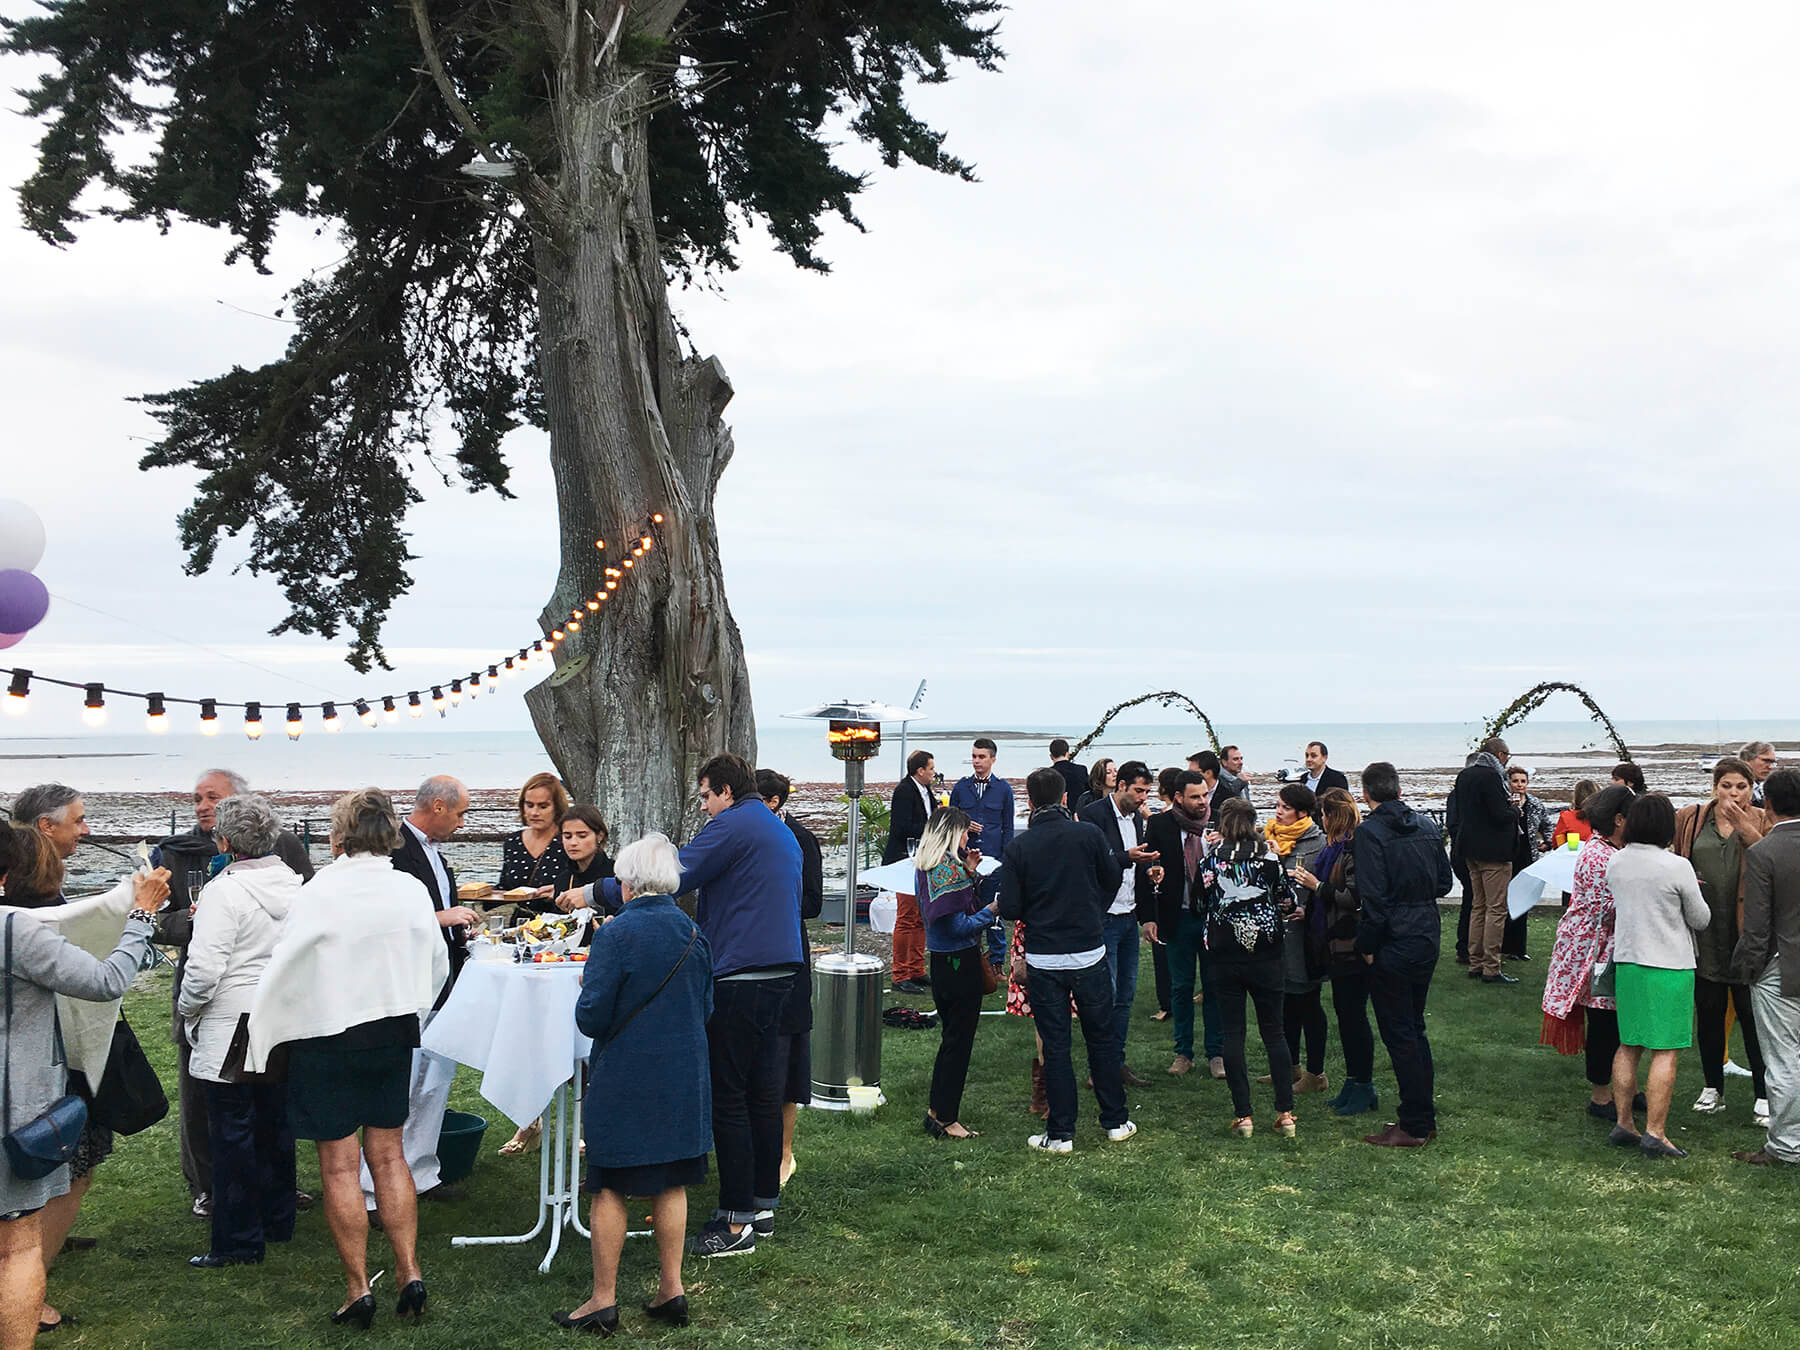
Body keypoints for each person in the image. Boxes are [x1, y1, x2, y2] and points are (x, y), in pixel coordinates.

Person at [584, 754, 803, 1257]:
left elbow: (671, 876)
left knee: (728, 1097)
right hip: (780, 970)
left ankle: (734, 1220)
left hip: (741, 972)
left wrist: (597, 890)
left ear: (725, 791)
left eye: (704, 795)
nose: (703, 806)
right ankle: (762, 1204)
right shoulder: (772, 826)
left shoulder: (732, 825)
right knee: (759, 1094)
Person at [246, 788, 448, 1328]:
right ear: (391, 834)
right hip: (392, 1028)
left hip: (329, 1033)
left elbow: (283, 963)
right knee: (389, 1155)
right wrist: (414, 1011)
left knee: (339, 1164)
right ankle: (410, 1271)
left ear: (339, 835)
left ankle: (359, 1288)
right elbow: (434, 963)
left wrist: (264, 1029)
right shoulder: (409, 889)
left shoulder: (321, 890)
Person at [0, 825, 167, 1349]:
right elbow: (104, 982)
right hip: (12, 1110)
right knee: (18, 1245)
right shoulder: (16, 931)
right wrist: (140, 917)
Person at [559, 833, 714, 1334]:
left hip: (625, 1073)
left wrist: (586, 987)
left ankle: (603, 1299)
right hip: (683, 1074)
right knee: (672, 1182)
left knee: (609, 1185)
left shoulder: (616, 935)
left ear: (626, 886)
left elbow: (591, 1018)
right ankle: (672, 1288)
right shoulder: (695, 934)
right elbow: (706, 1008)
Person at [153, 768, 314, 1221]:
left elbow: (306, 905)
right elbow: (158, 921)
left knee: (270, 1098)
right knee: (203, 1097)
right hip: (210, 988)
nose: (203, 806)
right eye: (198, 797)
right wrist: (199, 919)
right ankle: (208, 1186)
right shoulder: (174, 853)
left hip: (269, 993)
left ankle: (270, 1189)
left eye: (213, 798)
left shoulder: (283, 851)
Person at [177, 794, 300, 1268]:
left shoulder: (222, 892)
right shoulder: (296, 885)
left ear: (224, 841)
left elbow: (204, 969)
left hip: (231, 1019)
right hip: (280, 1015)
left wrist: (189, 1010)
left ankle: (237, 1241)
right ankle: (277, 1217)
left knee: (231, 1133)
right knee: (274, 1123)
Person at [997, 768, 1134, 1152]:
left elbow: (1009, 906)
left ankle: (1060, 1133)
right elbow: (1112, 878)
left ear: (1029, 802)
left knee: (1056, 1046)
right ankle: (1115, 1121)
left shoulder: (1020, 847)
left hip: (1044, 956)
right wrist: (1095, 912)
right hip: (1088, 950)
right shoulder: (1088, 835)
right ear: (1064, 800)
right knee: (1100, 1037)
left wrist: (1038, 911)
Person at [377, 776, 480, 1208]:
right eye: (459, 813)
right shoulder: (393, 848)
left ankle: (422, 1172)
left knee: (436, 1079)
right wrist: (445, 917)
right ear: (438, 806)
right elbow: (387, 915)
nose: (462, 822)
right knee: (402, 1084)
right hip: (408, 982)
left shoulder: (435, 852)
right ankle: (378, 1187)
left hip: (443, 979)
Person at [1354, 762, 1454, 1148]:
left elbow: (1373, 901)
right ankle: (1421, 1116)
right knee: (1414, 1028)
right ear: (1397, 789)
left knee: (1401, 1033)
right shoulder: (1428, 826)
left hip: (1394, 939)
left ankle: (1413, 1123)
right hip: (1426, 933)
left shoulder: (1370, 833)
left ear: (1367, 794)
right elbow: (1444, 882)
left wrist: (1365, 946)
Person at [1606, 793, 1710, 1159]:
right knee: (1665, 1050)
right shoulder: (1677, 866)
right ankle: (1655, 1131)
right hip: (1669, 964)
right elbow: (1701, 919)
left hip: (1629, 961)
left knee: (1629, 1044)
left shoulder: (1616, 862)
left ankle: (1623, 1122)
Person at [1673, 757, 1768, 1122]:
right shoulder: (1692, 818)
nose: (1733, 793)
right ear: (1715, 786)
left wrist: (1745, 826)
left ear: (1751, 789)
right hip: (1703, 933)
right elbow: (1676, 860)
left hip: (1748, 933)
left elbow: (1769, 863)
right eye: (1727, 785)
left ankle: (1763, 1091)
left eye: (1741, 787)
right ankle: (1712, 1087)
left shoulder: (1760, 819)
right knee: (1709, 1014)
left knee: (1753, 1017)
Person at [1539, 786, 1640, 1122]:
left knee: (1622, 1021)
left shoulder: (1613, 850)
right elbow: (1607, 908)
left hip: (1609, 949)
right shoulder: (1599, 856)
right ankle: (1600, 1096)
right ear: (1619, 819)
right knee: (1603, 1022)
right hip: (1594, 956)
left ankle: (1629, 1087)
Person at [1197, 799, 1297, 1137]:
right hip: (1267, 954)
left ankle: (1244, 1115)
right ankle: (1285, 1113)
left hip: (1225, 955)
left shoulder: (1211, 861)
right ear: (1253, 822)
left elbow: (1198, 901)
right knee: (1274, 1031)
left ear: (1223, 824)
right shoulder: (1269, 859)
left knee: (1233, 1033)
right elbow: (1287, 900)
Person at [755, 769, 823, 1187]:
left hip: (789, 954)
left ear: (774, 803)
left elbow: (813, 903)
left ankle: (784, 1153)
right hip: (748, 958)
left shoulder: (801, 839)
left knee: (786, 1059)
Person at [915, 809, 999, 1139]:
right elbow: (959, 925)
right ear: (951, 833)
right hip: (959, 962)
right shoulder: (947, 870)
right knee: (958, 1043)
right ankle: (948, 1118)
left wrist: (971, 872)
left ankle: (937, 1109)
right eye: (964, 833)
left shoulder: (926, 865)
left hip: (940, 962)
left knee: (950, 1040)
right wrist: (992, 910)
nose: (968, 840)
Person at [1293, 789, 1377, 1116]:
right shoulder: (1335, 848)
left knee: (1354, 1016)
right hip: (1335, 943)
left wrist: (1318, 887)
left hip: (1352, 944)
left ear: (1332, 815)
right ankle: (1353, 1082)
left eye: (1323, 815)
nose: (1320, 820)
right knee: (1345, 1015)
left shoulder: (1354, 848)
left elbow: (1355, 896)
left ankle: (1363, 1084)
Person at [1731, 768, 1800, 1165]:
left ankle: (1786, 1147)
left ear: (1768, 804)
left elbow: (1756, 926)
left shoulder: (1763, 853)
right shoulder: (1765, 850)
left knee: (1782, 1060)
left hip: (1780, 966)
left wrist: (1748, 970)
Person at [1077, 762, 1161, 1086]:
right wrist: (1128, 858)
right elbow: (1091, 861)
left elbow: (1136, 862)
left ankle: (1116, 1062)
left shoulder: (1138, 818)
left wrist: (1151, 871)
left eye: (1146, 792)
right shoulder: (1094, 814)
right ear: (1121, 785)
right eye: (1138, 791)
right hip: (1104, 916)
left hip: (1129, 914)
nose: (1143, 798)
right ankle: (1098, 1067)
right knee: (1105, 996)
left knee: (1125, 996)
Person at [1145, 771, 1224, 1079]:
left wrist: (1223, 845)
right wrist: (1149, 916)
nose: (1202, 801)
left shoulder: (1217, 823)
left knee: (1214, 985)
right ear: (1178, 798)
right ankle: (1183, 1052)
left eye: (1204, 795)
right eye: (1195, 796)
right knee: (1181, 987)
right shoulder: (1160, 825)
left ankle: (1216, 1053)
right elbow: (1148, 867)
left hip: (1213, 918)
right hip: (1177, 915)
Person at [1267, 784, 1328, 1095]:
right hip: (1278, 934)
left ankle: (1316, 1073)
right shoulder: (1271, 837)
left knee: (1308, 1003)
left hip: (1305, 938)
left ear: (1302, 813)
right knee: (1285, 1002)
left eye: (1284, 808)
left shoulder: (1317, 843)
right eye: (1276, 805)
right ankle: (1290, 1066)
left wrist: (1306, 906)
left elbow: (1322, 888)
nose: (1278, 812)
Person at [1451, 738, 1521, 985]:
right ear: (1500, 754)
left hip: (1469, 848)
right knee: (1496, 909)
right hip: (1493, 851)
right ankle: (1491, 966)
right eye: (1507, 756)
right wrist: (1516, 809)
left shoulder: (1465, 775)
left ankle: (1475, 961)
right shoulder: (1492, 777)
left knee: (1478, 906)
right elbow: (1500, 815)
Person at [948, 739, 1012, 967]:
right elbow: (950, 824)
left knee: (993, 910)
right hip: (965, 861)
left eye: (981, 757)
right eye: (974, 756)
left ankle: (996, 962)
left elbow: (1008, 828)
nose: (976, 761)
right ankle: (970, 957)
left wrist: (1005, 861)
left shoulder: (1004, 789)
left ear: (992, 759)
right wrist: (964, 825)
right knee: (966, 909)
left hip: (993, 860)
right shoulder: (960, 787)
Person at [884, 751, 937, 996]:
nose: (934, 773)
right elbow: (901, 827)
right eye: (931, 769)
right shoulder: (904, 791)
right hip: (904, 859)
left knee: (920, 916)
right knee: (906, 917)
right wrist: (933, 828)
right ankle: (900, 973)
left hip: (923, 859)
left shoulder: (927, 791)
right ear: (919, 771)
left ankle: (916, 969)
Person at [496, 772, 570, 915]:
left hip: (559, 925)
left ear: (557, 807)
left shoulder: (568, 841)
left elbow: (585, 882)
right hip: (519, 925)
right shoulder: (513, 842)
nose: (535, 812)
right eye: (529, 805)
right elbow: (504, 887)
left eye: (543, 806)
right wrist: (476, 891)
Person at [1503, 764, 1552, 961]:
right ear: (1508, 782)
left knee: (1523, 901)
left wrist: (1547, 843)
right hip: (1506, 856)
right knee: (1505, 901)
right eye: (1515, 781)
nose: (1519, 785)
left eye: (1523, 781)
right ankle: (1503, 946)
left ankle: (1518, 948)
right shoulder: (1503, 803)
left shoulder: (1535, 804)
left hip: (1528, 857)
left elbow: (1547, 824)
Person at [1553, 780, 1601, 850]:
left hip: (1574, 857)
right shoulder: (1610, 817)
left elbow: (1556, 844)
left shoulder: (1567, 817)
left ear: (1576, 797)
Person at [1049, 739, 1088, 819]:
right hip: (1080, 814)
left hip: (1057, 816)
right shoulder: (1081, 769)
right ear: (1067, 754)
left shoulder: (1049, 773)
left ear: (1051, 756)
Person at [1739, 742, 1779, 808]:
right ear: (1746, 760)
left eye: (1772, 762)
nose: (1770, 767)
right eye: (1766, 761)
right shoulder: (1737, 791)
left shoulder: (1756, 789)